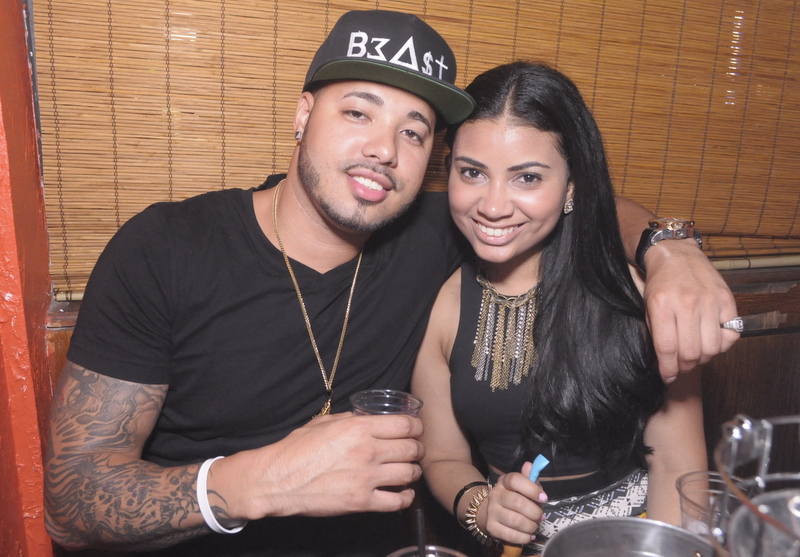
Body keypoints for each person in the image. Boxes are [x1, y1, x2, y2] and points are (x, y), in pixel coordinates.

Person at [43, 10, 736, 557]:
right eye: (358, 112)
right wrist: (263, 480)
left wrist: (669, 248)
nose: (383, 149)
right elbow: (69, 503)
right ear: (302, 114)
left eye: (414, 131)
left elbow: (571, 202)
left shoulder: (448, 230)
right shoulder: (168, 249)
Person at [411, 61, 710, 555]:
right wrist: (481, 506)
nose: (493, 205)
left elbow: (679, 469)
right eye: (473, 172)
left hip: (635, 540)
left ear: (571, 186)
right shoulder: (441, 304)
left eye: (527, 177)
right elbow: (442, 456)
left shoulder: (635, 294)